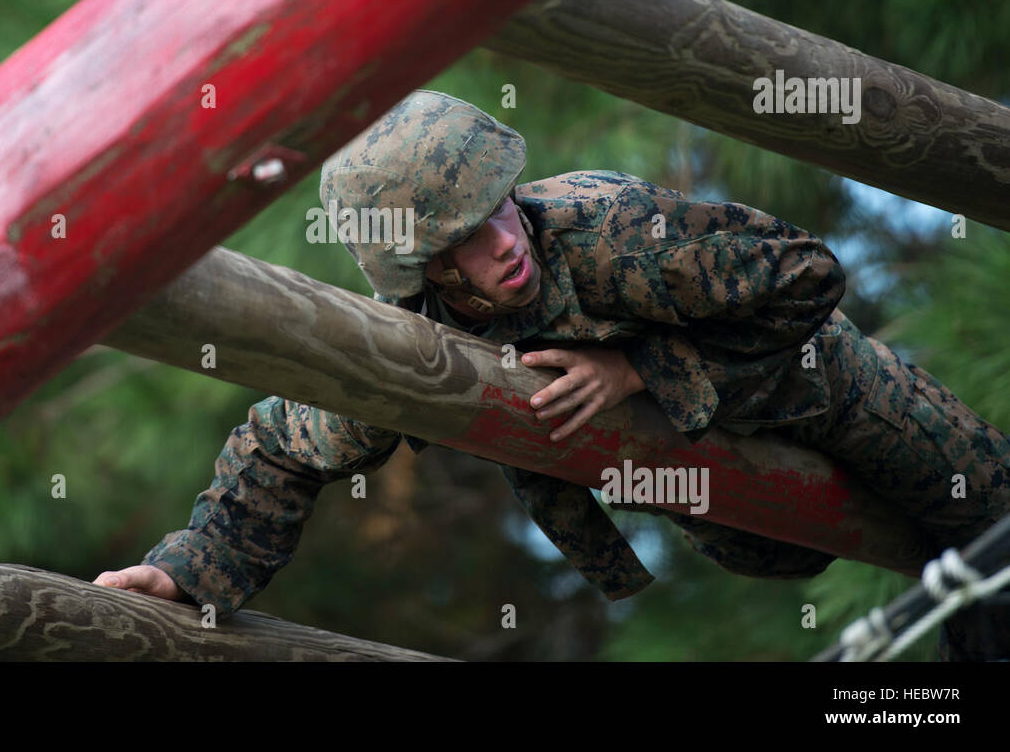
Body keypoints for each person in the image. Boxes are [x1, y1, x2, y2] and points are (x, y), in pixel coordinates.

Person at [94, 90, 1010, 660]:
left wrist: (635, 367)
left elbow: (808, 273)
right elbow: (278, 447)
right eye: (465, 237)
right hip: (727, 499)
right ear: (425, 272)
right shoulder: (414, 352)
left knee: (992, 529)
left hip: (825, 389)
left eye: (497, 205)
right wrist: (188, 573)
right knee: (790, 555)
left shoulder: (612, 232)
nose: (506, 241)